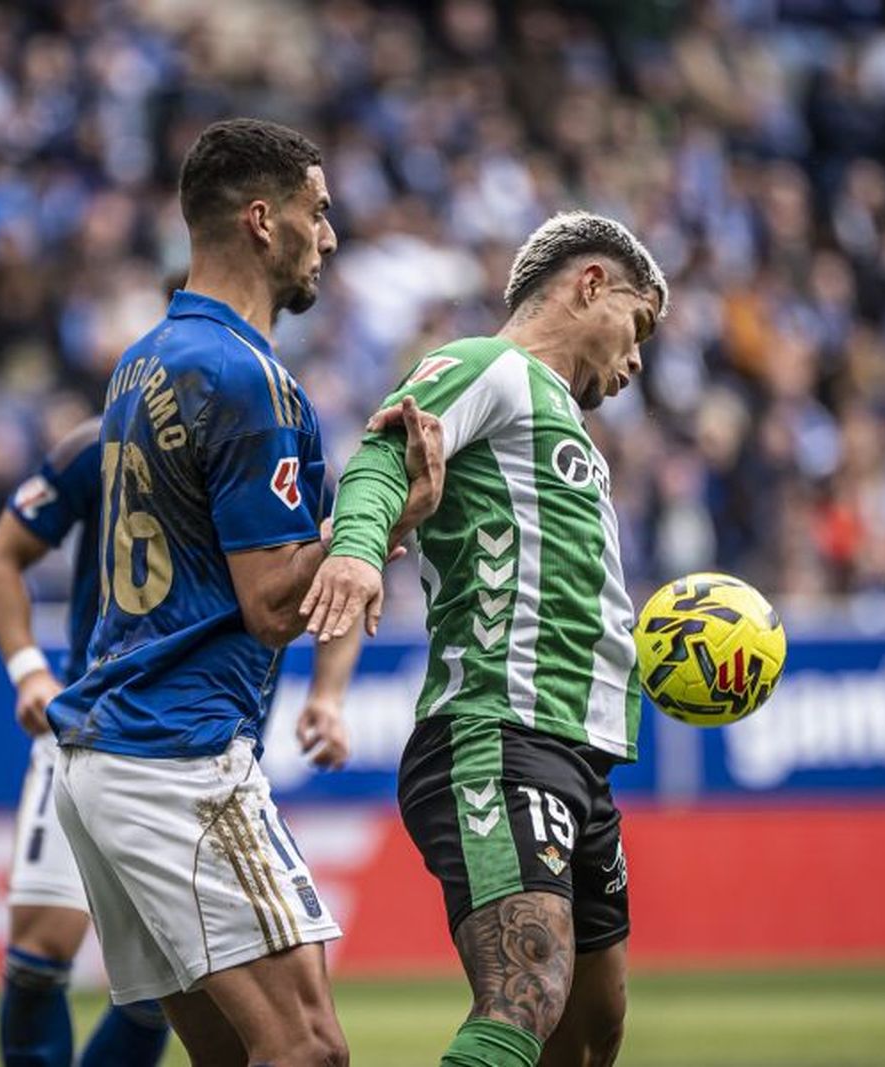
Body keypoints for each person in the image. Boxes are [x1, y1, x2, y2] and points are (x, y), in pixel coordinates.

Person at [44, 118, 443, 1066]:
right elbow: (272, 603)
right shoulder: (247, 376)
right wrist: (394, 515)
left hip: (108, 754)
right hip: (178, 753)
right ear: (265, 221)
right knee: (309, 1048)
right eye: (320, 211)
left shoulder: (142, 360)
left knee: (236, 1053)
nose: (331, 236)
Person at [303, 211, 667, 1067]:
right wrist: (356, 550)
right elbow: (380, 459)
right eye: (638, 323)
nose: (640, 356)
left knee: (590, 1030)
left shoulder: (563, 427)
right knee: (526, 990)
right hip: (496, 731)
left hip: (579, 755)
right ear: (590, 285)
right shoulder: (487, 367)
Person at [0, 413, 361, 1065]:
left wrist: (327, 695)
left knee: (166, 994)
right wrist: (27, 670)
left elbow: (340, 574)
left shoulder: (279, 454)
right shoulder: (100, 444)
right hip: (91, 725)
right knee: (40, 956)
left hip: (198, 747)